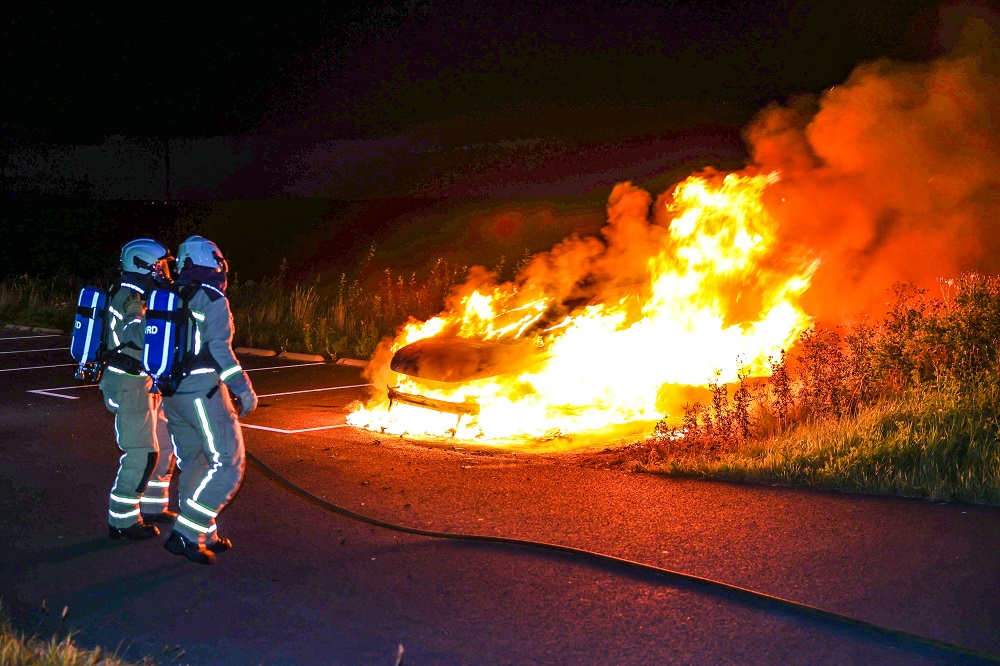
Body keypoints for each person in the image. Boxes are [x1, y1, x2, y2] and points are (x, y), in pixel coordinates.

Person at [161, 235, 258, 565]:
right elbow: (220, 350)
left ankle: (203, 535)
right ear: (213, 261)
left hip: (172, 394)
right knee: (229, 464)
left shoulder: (171, 293)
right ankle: (187, 534)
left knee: (197, 462)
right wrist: (244, 389)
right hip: (202, 394)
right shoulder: (212, 297)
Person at [104, 238, 178, 540]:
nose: (164, 270)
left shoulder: (144, 293)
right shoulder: (128, 295)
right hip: (127, 383)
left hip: (145, 381)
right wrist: (143, 314)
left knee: (164, 446)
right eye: (159, 265)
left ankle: (153, 505)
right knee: (142, 452)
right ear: (142, 264)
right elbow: (136, 336)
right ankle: (122, 520)